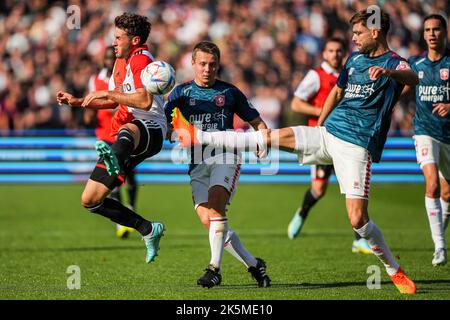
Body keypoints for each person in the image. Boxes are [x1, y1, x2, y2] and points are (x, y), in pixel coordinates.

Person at [173, 9, 419, 294]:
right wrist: (323, 125)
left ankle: (393, 270)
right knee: (269, 137)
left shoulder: (394, 63)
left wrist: (390, 73)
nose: (353, 38)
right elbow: (336, 93)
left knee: (357, 219)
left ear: (375, 32)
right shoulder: (354, 60)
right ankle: (199, 136)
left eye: (358, 33)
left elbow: (412, 78)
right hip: (328, 134)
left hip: (356, 146)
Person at [56, 13, 165, 264]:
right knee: (90, 200)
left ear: (135, 40)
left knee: (129, 129)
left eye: (118, 37)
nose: (113, 42)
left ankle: (116, 158)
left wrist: (108, 92)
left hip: (150, 129)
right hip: (128, 134)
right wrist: (77, 102)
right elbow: (111, 100)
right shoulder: (121, 62)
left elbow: (144, 101)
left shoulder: (140, 60)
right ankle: (148, 229)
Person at [165, 41, 271, 288]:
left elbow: (259, 124)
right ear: (192, 64)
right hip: (197, 161)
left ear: (218, 65)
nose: (207, 69)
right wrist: (172, 132)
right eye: (202, 64)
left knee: (216, 207)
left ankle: (214, 269)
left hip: (226, 156)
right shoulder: (180, 93)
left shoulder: (230, 93)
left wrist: (262, 142)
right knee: (211, 221)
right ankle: (255, 265)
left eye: (212, 64)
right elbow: (163, 122)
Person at [287, 37, 372, 255]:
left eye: (338, 50)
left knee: (353, 189)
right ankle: (302, 213)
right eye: (330, 51)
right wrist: (325, 111)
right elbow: (296, 103)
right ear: (324, 54)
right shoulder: (316, 75)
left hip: (347, 139)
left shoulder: (350, 73)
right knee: (319, 190)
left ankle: (359, 240)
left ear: (343, 53)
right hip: (322, 140)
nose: (335, 54)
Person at [407, 14, 450, 266]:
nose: (432, 34)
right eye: (428, 30)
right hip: (424, 131)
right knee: (432, 184)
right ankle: (440, 247)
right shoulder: (416, 64)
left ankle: (438, 237)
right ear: (423, 35)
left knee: (447, 192)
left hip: (448, 135)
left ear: (444, 32)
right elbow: (403, 87)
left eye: (436, 29)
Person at [84, 45, 137, 239]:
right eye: (106, 58)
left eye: (111, 58)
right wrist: (88, 114)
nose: (109, 61)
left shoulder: (123, 76)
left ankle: (130, 207)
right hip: (105, 135)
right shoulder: (95, 80)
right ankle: (120, 224)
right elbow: (91, 106)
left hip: (124, 131)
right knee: (112, 177)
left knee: (129, 176)